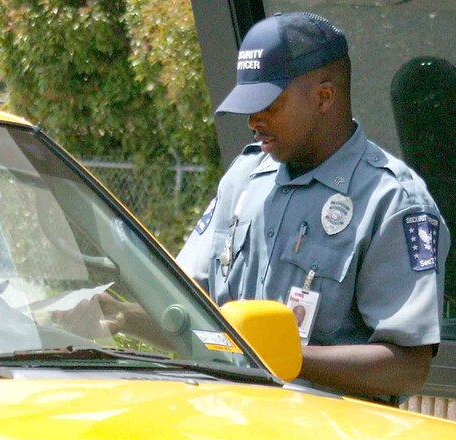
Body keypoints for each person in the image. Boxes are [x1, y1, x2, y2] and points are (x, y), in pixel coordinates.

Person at [175, 12, 450, 401]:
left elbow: (407, 368)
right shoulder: (245, 178)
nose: (254, 120)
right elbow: (184, 300)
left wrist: (289, 358)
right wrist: (113, 313)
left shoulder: (392, 201)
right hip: (229, 428)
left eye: (268, 103)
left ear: (324, 97)